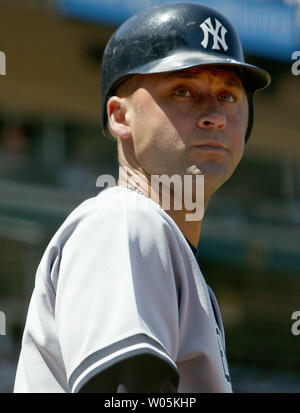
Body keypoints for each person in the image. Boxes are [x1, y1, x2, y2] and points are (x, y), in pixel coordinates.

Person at [13, 3, 271, 393]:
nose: (215, 115)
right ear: (120, 117)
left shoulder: (167, 248)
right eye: (183, 91)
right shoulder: (125, 221)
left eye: (229, 95)